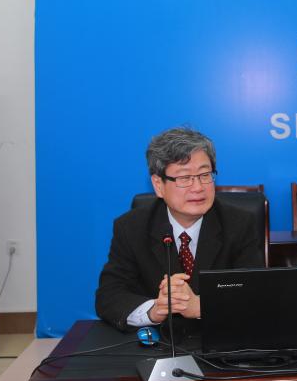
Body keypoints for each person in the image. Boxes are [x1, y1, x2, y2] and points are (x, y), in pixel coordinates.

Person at [95, 127, 263, 332]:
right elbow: (109, 295)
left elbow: (256, 294)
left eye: (205, 174)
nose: (198, 187)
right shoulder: (131, 228)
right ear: (158, 185)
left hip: (220, 338)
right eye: (184, 178)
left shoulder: (239, 224)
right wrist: (155, 310)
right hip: (158, 343)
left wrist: (201, 306)